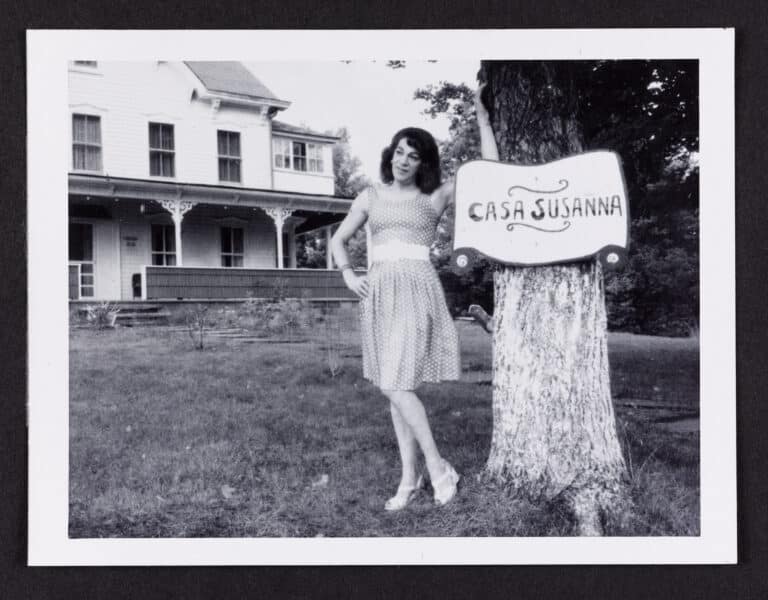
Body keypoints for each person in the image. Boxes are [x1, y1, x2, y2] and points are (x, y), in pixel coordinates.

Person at [330, 125, 462, 510]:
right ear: (391, 154)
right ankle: (410, 478)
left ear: (424, 163)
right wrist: (348, 273)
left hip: (417, 288)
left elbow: (486, 170)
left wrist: (484, 120)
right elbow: (339, 240)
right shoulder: (371, 196)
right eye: (399, 152)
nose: (403, 161)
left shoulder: (434, 196)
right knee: (394, 384)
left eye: (413, 155)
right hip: (379, 293)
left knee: (395, 384)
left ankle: (437, 469)